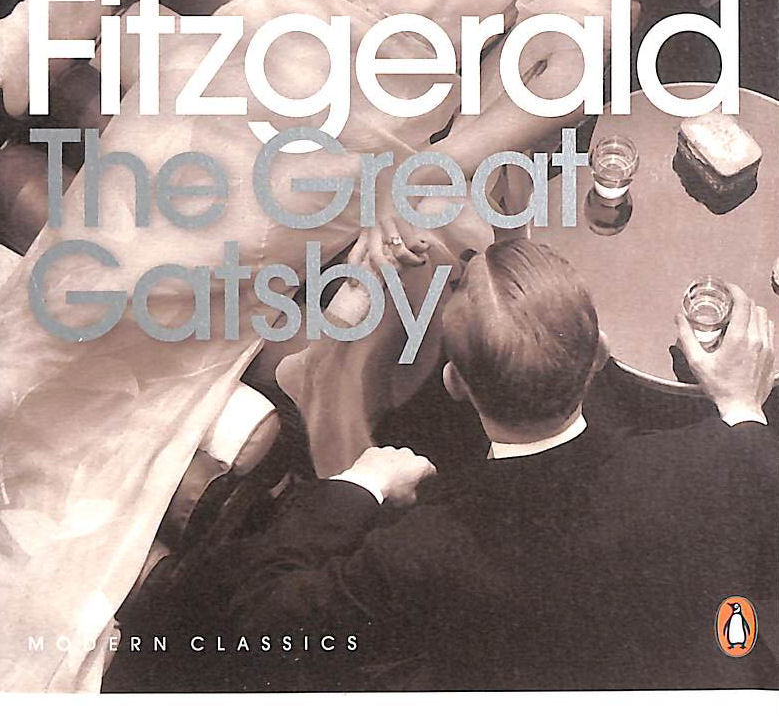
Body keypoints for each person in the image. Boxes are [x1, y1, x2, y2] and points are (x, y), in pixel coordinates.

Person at [0, 0, 621, 688]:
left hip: (361, 130)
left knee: (160, 265)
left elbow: (567, 63)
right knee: (95, 253)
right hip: (239, 57)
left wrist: (435, 165)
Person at [123, 241, 776, 692]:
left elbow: (261, 616)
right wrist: (742, 405)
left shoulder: (416, 551)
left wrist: (357, 486)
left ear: (455, 384)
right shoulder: (713, 465)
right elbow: (752, 483)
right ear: (600, 355)